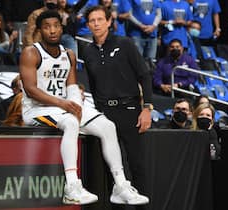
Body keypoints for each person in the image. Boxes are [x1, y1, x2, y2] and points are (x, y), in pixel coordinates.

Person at [19, 10, 149, 205]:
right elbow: (30, 90)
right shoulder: (31, 52)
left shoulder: (69, 54)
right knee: (71, 122)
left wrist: (75, 105)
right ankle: (72, 187)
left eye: (56, 26)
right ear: (40, 30)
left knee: (107, 126)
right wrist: (65, 105)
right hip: (37, 110)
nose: (52, 30)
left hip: (63, 107)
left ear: (62, 28)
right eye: (47, 27)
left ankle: (120, 186)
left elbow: (72, 86)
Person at [82, 5, 153, 209]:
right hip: (105, 114)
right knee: (111, 166)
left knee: (136, 164)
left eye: (99, 19)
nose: (96, 24)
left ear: (109, 21)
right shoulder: (87, 52)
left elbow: (145, 75)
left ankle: (143, 207)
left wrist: (146, 108)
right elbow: (93, 86)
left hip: (130, 110)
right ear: (87, 25)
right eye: (92, 21)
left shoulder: (125, 43)